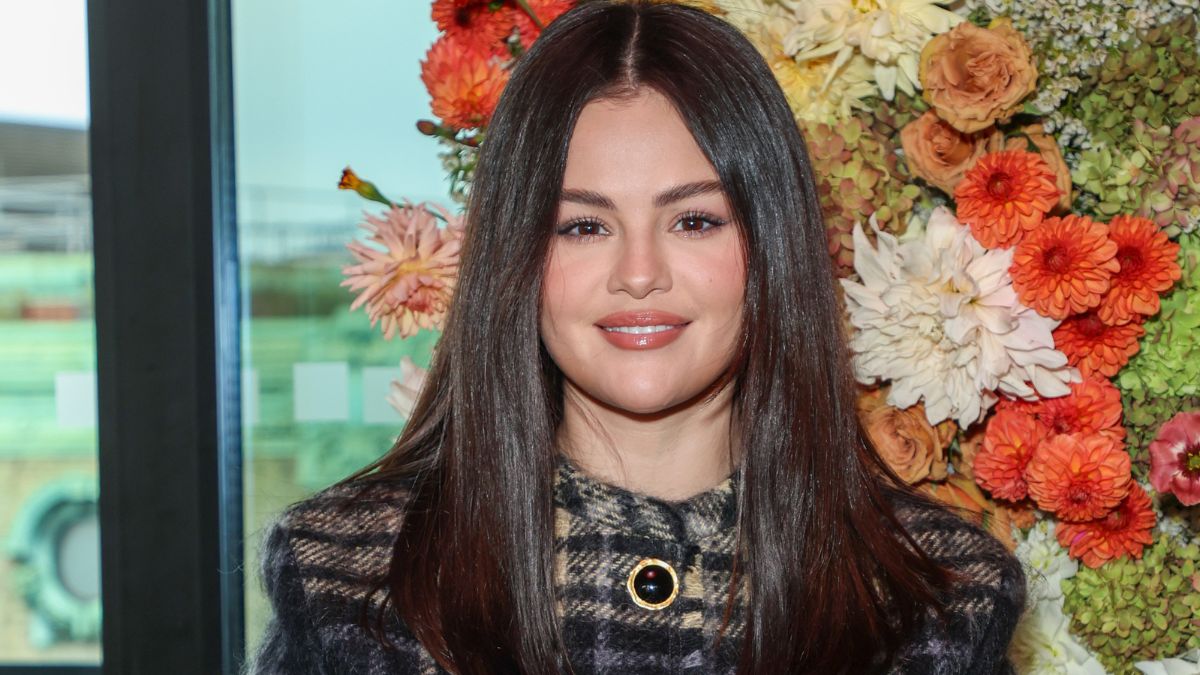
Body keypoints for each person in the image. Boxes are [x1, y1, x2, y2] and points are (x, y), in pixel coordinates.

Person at [246, 1, 1027, 673]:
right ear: (516, 253)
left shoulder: (940, 598)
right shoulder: (353, 577)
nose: (640, 272)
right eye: (583, 225)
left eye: (694, 220)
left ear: (770, 245)